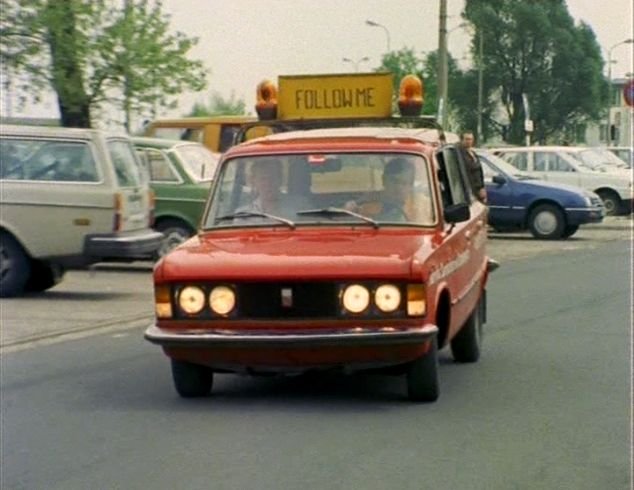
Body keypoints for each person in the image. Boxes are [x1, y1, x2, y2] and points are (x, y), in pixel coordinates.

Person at [345, 157, 417, 222]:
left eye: (404, 183)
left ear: (411, 186)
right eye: (394, 181)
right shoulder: (369, 201)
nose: (399, 187)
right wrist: (350, 209)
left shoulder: (420, 206)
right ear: (384, 180)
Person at [458, 131, 487, 203]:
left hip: (478, 189)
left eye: (471, 139)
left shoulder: (473, 153)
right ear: (462, 140)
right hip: (469, 190)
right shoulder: (459, 153)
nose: (469, 141)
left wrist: (482, 187)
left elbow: (479, 172)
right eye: (467, 139)